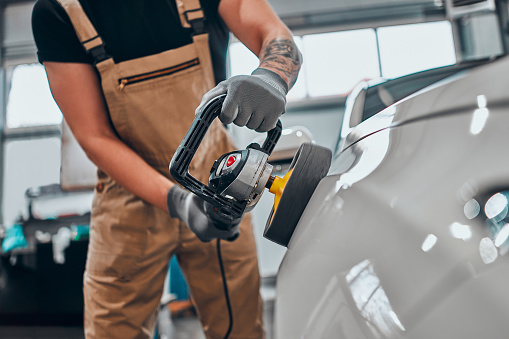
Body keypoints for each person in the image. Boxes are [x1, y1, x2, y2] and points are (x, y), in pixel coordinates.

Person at [31, 0, 301, 338]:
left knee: (240, 329)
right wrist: (180, 201)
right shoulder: (58, 11)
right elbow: (93, 135)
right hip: (127, 204)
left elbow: (274, 34)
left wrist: (272, 76)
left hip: (217, 190)